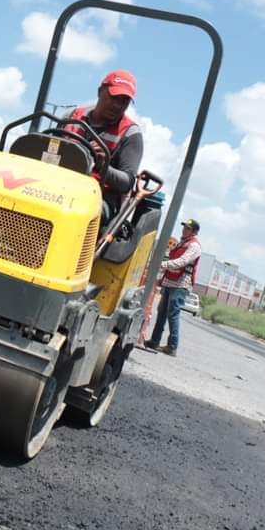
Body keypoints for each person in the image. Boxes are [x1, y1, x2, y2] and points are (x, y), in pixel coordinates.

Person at [62, 69, 142, 226]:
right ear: (100, 91)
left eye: (124, 101)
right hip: (59, 185)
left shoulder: (131, 134)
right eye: (114, 97)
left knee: (76, 209)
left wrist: (103, 166)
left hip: (99, 197)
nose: (117, 105)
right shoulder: (71, 116)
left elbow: (127, 183)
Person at [145, 219, 202, 357]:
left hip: (181, 284)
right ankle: (155, 340)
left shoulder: (194, 246)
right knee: (162, 312)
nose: (184, 230)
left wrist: (162, 264)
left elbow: (182, 262)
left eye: (188, 228)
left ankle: (172, 346)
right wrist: (161, 277)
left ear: (194, 232)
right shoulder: (182, 243)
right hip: (170, 281)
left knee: (173, 314)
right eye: (184, 228)